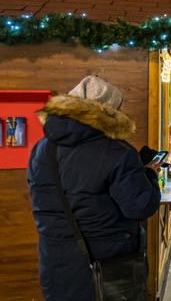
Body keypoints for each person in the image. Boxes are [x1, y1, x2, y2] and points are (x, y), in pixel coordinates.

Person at [27, 76, 163, 301]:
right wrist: (148, 173)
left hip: (55, 259)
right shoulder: (118, 152)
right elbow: (140, 207)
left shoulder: (43, 147)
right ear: (111, 113)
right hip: (107, 264)